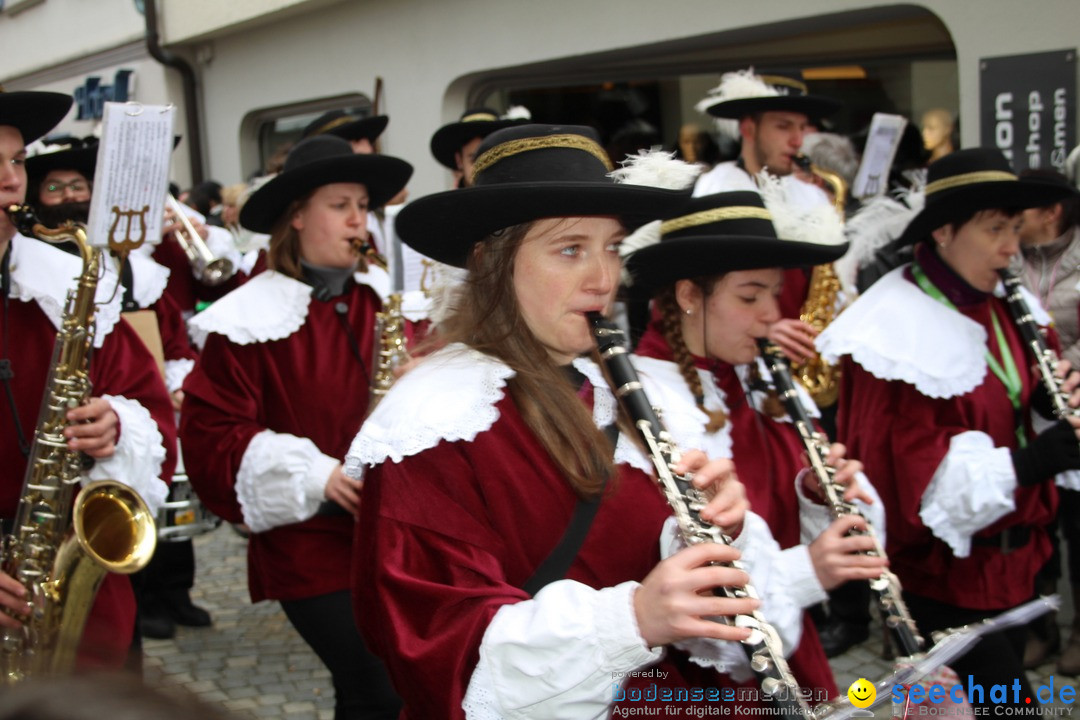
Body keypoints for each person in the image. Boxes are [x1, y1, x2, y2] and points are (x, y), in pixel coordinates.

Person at [345, 123, 815, 719]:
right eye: (571, 249)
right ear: (494, 261)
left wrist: (696, 535)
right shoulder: (432, 422)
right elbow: (438, 646)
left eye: (612, 247)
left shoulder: (603, 388)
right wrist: (636, 617)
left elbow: (617, 550)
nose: (604, 279)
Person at [817, 147, 1080, 707]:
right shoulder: (891, 330)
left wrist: (1045, 409)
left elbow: (1008, 406)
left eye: (1014, 228)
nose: (1011, 248)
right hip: (942, 586)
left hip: (1016, 569)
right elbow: (910, 478)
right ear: (943, 231)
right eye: (993, 230)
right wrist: (1034, 460)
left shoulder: (1007, 303)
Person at [179, 134, 412, 720]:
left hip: (388, 531)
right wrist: (317, 474)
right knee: (375, 684)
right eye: (341, 205)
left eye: (364, 206)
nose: (360, 220)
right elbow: (213, 440)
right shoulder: (244, 319)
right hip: (306, 540)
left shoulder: (378, 297)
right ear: (298, 215)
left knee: (376, 694)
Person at [624, 189, 886, 697]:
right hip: (713, 683)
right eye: (750, 296)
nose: (773, 314)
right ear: (688, 295)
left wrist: (815, 496)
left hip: (788, 650)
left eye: (775, 292)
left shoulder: (752, 379)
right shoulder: (650, 405)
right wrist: (810, 572)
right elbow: (697, 590)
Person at [0, 89, 174, 670]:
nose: (10, 183)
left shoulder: (71, 283)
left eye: (18, 161)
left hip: (75, 594)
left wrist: (117, 424)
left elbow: (152, 409)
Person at [24, 137, 211, 640]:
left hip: (132, 412)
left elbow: (170, 337)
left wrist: (163, 391)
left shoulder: (128, 271)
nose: (66, 197)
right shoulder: (38, 280)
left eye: (78, 186)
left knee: (162, 515)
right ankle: (151, 598)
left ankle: (173, 591)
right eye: (54, 187)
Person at [692, 69, 843, 374]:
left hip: (806, 362)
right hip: (738, 365)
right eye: (783, 126)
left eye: (802, 127)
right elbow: (699, 295)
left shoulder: (813, 194)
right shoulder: (714, 190)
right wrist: (762, 328)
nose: (797, 140)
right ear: (749, 127)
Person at [1014, 169, 1080, 671]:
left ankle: (1077, 633)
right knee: (1037, 520)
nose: (1012, 220)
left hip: (1075, 404)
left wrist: (1056, 365)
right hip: (1028, 412)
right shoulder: (1009, 256)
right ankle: (1040, 626)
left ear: (1051, 212)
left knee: (1079, 531)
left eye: (1022, 209)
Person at [428, 106, 530, 189]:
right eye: (474, 160)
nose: (483, 167)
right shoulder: (449, 211)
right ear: (459, 160)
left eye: (492, 158)